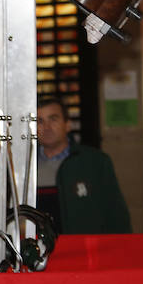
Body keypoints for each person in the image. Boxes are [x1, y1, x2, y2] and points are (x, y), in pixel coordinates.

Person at [35, 98, 131, 234]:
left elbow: (116, 214)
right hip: (40, 252)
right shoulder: (27, 167)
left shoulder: (95, 162)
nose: (47, 127)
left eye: (53, 119)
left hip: (85, 250)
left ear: (68, 125)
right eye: (40, 121)